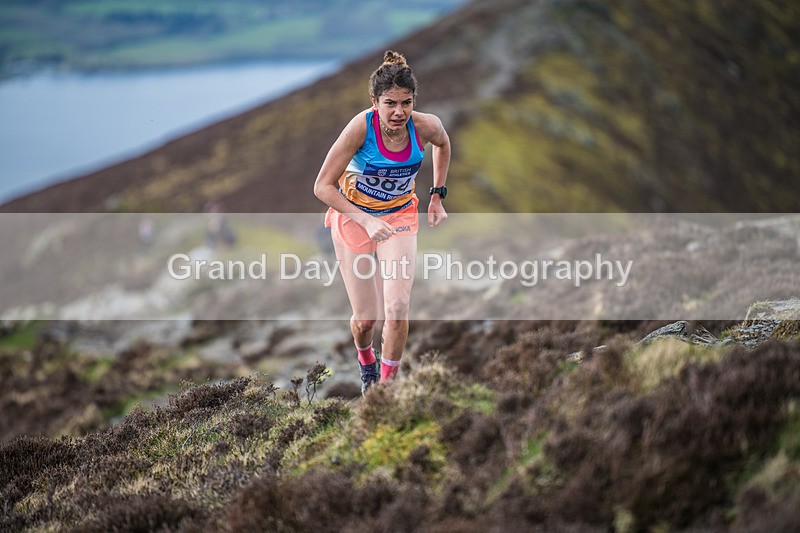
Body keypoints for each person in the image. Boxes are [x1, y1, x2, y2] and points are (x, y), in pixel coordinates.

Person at [313, 50, 451, 395]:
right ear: (375, 101)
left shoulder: (425, 125)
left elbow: (443, 144)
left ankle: (385, 393)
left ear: (413, 100)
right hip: (354, 220)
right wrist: (366, 221)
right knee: (365, 321)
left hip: (401, 216)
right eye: (390, 103)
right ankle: (366, 362)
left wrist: (436, 195)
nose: (398, 112)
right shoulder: (360, 128)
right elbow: (322, 187)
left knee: (398, 307)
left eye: (406, 102)